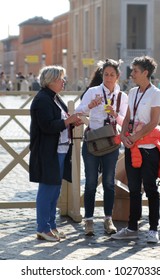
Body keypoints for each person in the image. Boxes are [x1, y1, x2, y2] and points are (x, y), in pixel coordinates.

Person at [111, 56, 160, 243]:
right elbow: (127, 118)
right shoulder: (132, 92)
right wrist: (124, 135)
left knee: (150, 188)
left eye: (134, 71)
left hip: (148, 148)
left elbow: (154, 122)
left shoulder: (156, 93)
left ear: (145, 73)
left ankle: (153, 229)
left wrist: (133, 137)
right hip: (131, 146)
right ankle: (132, 227)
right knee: (133, 189)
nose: (131, 74)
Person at [29, 65, 83, 242]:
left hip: (60, 149)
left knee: (55, 190)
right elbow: (47, 126)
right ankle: (43, 228)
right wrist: (69, 121)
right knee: (47, 190)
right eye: (61, 78)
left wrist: (72, 122)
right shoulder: (42, 99)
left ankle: (51, 226)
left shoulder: (54, 97)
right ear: (51, 81)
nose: (64, 81)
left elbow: (61, 121)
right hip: (48, 152)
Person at [75, 58, 128, 236]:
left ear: (118, 76)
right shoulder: (93, 91)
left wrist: (115, 114)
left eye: (112, 75)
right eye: (106, 74)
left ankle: (108, 219)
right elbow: (79, 113)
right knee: (90, 183)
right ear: (102, 75)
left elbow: (124, 122)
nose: (108, 78)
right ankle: (88, 221)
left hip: (111, 143)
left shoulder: (122, 97)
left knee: (109, 183)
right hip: (92, 142)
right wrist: (90, 105)